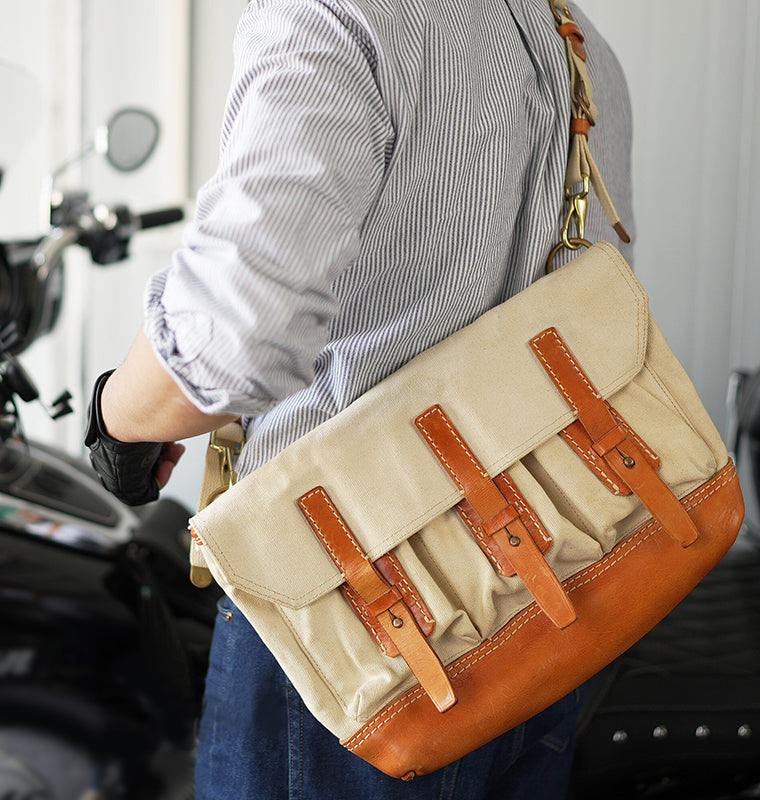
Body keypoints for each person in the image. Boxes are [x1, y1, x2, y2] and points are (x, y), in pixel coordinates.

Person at [84, 0, 634, 796]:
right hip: (554, 584)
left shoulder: (334, 14)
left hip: (357, 618)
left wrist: (118, 419)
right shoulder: (571, 36)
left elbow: (233, 339)